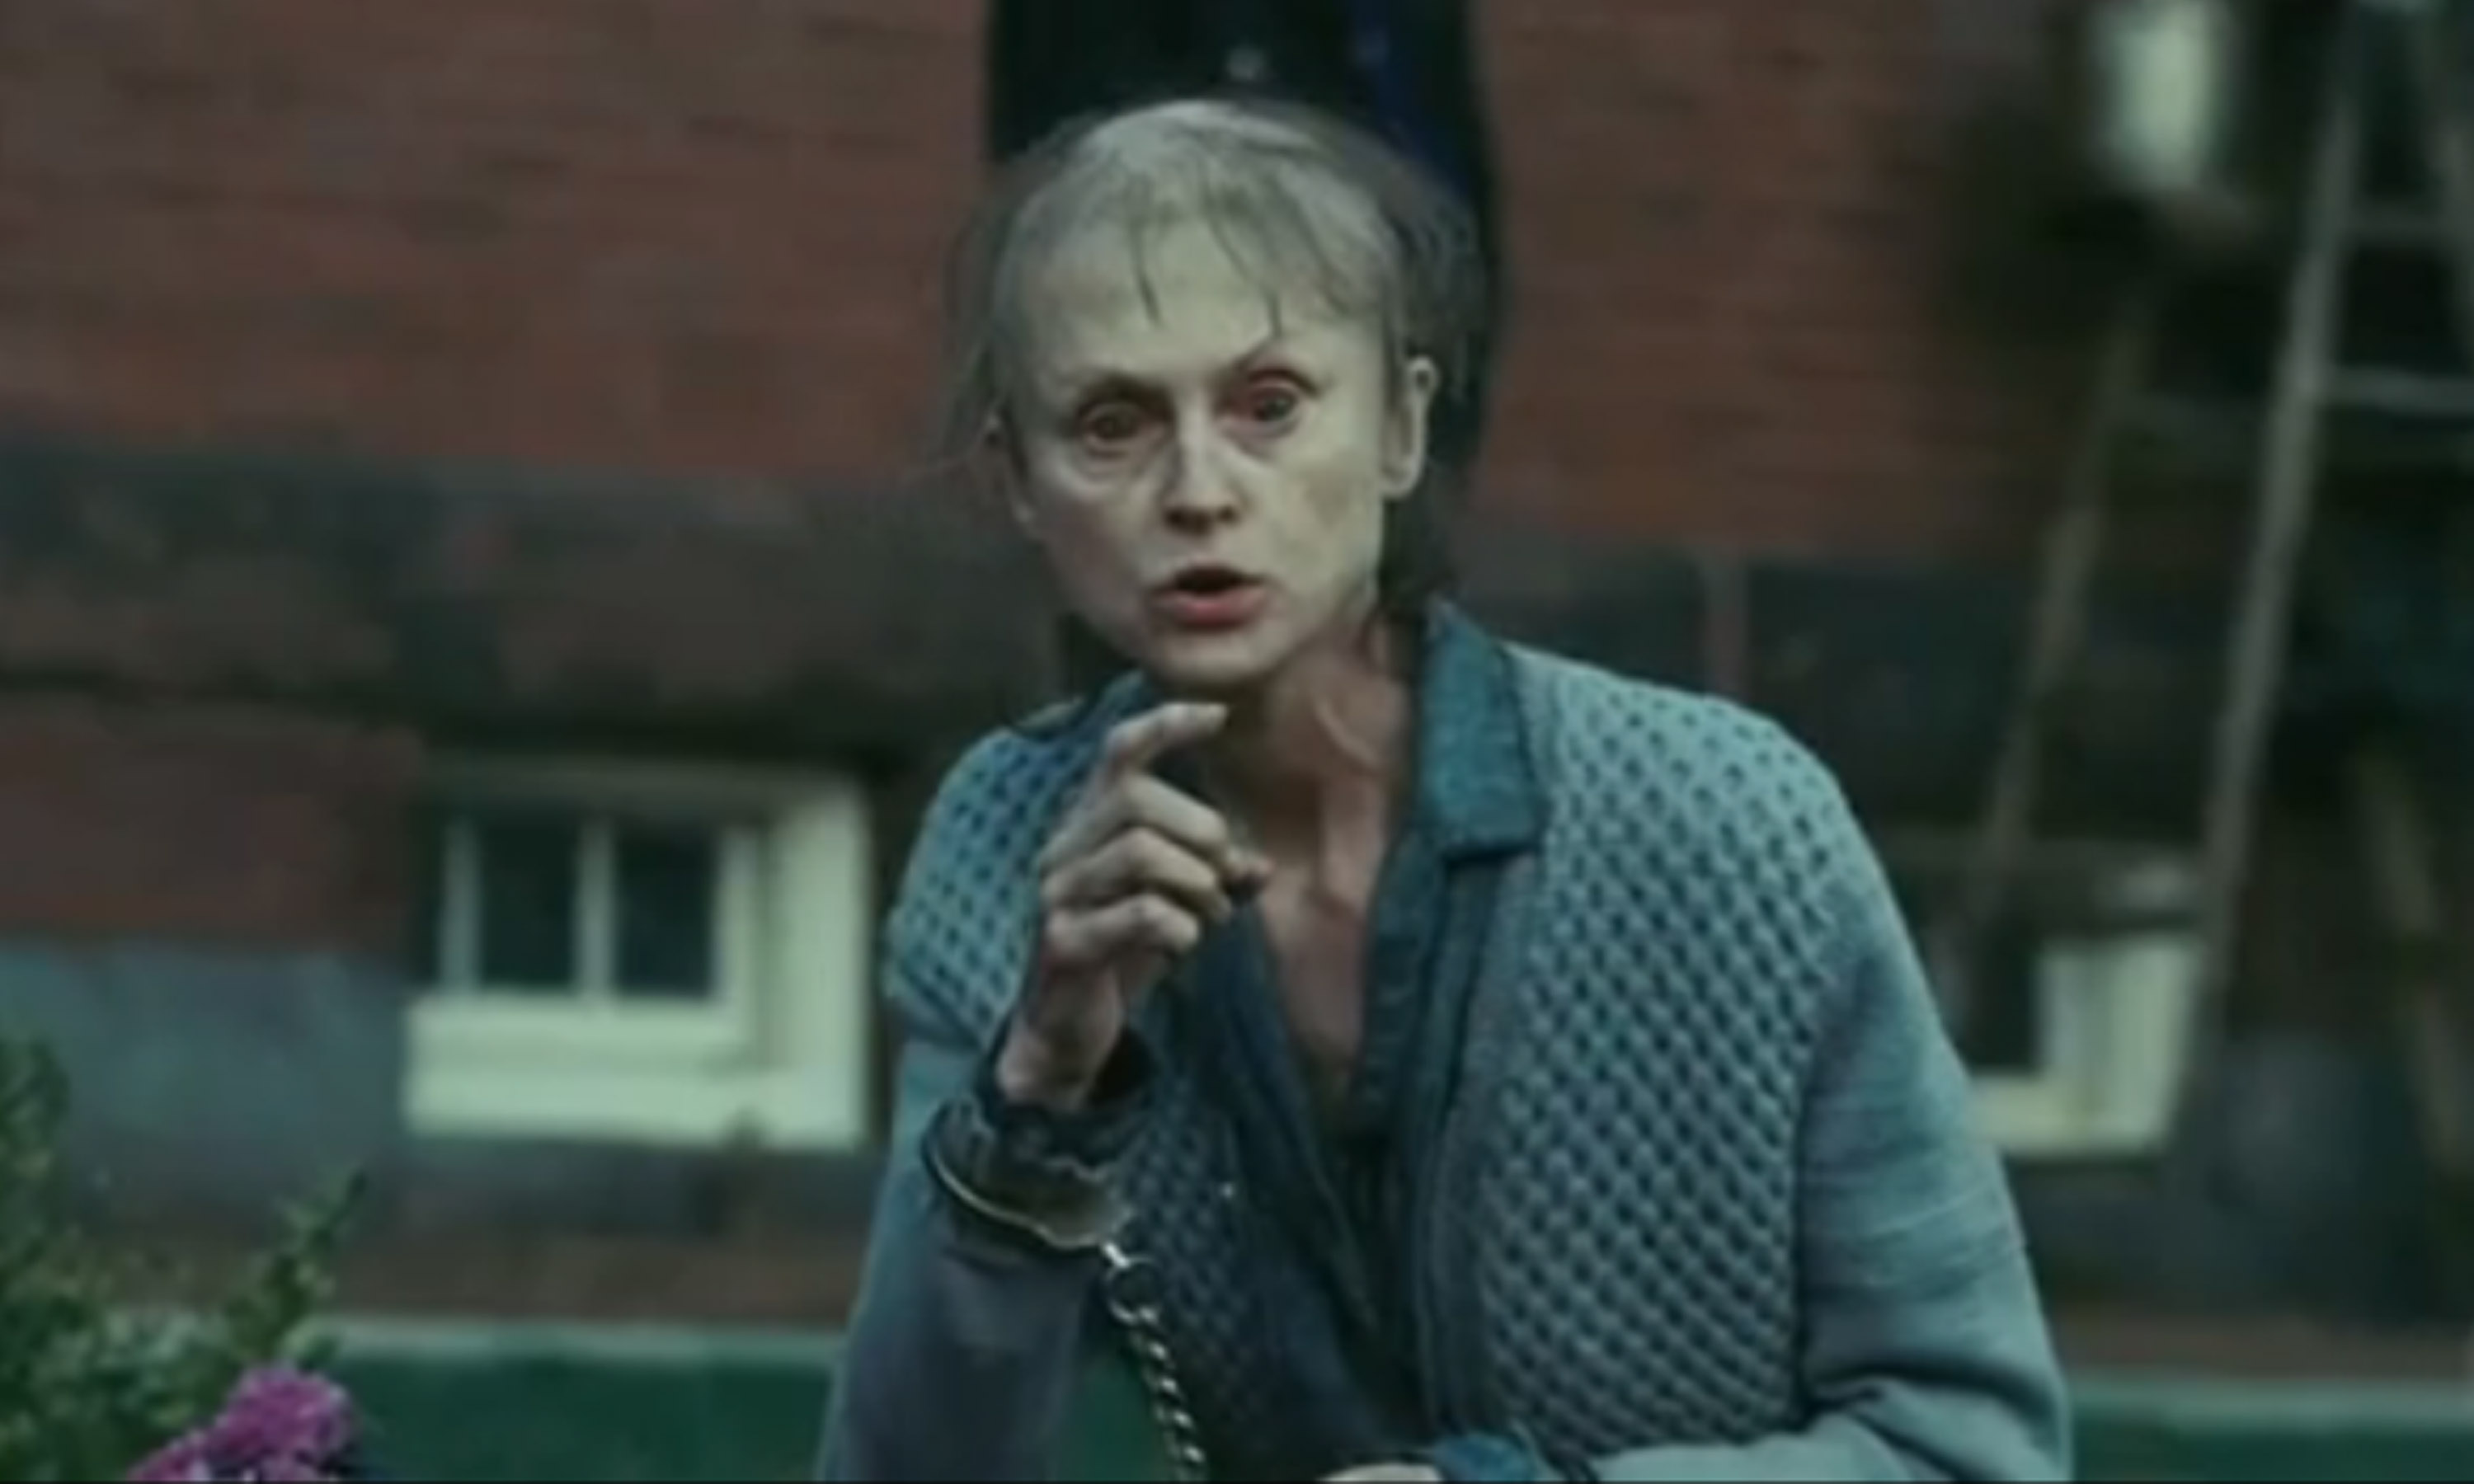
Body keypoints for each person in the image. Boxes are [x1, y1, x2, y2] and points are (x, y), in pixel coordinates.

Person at [816, 95, 2072, 1483]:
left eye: (1270, 406)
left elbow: (1974, 1453)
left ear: (1402, 429)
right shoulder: (1010, 853)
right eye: (1113, 424)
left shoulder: (1727, 827)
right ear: (1019, 482)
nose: (1199, 490)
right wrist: (1039, 1092)